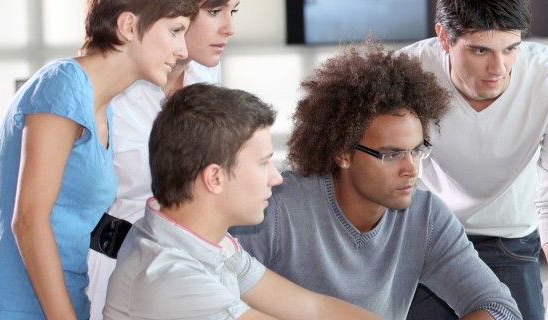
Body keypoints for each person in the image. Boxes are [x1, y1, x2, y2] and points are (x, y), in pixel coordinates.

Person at [230, 42, 521, 320]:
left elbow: (499, 307)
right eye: (392, 155)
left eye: (417, 151)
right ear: (343, 153)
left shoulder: (426, 217)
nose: (411, 170)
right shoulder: (274, 208)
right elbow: (217, 303)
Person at [0, 1, 197, 319]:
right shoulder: (63, 83)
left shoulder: (102, 107)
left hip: (72, 304)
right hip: (14, 310)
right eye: (175, 31)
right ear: (128, 26)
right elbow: (28, 221)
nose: (182, 50)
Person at [104, 83, 379, 320]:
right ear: (215, 177)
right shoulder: (169, 278)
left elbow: (314, 309)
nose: (276, 178)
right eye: (263, 163)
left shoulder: (208, 242)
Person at [396, 0, 548, 318]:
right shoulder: (406, 73)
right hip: (430, 236)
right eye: (480, 51)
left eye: (511, 49)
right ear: (444, 38)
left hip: (509, 237)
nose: (498, 68)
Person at [86, 1, 240, 318]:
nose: (229, 27)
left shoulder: (206, 76)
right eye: (214, 12)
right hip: (109, 269)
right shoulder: (109, 85)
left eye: (233, 11)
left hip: (187, 271)